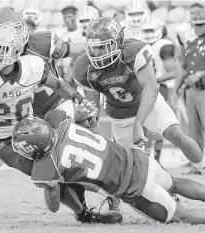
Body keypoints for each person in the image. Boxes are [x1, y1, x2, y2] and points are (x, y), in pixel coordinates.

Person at [0, 21, 119, 224]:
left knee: (71, 161)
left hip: (35, 128)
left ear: (15, 50)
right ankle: (85, 210)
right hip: (7, 142)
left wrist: (79, 99)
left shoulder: (31, 67)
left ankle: (102, 198)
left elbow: (59, 84)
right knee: (54, 182)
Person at [18, 108, 205, 224]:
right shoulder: (58, 119)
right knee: (175, 183)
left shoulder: (48, 165)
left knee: (182, 216)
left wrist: (49, 186)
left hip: (135, 188)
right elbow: (79, 119)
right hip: (139, 159)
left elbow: (53, 206)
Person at [73, 17, 205, 175]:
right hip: (119, 113)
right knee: (132, 167)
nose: (96, 53)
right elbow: (93, 107)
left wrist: (138, 124)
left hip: (146, 101)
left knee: (176, 134)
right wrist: (87, 122)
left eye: (102, 47)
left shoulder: (134, 52)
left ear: (117, 43)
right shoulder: (83, 67)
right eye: (93, 48)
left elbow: (152, 88)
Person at [172, 10, 205, 175]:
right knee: (193, 129)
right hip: (191, 91)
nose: (198, 28)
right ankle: (198, 165)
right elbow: (182, 68)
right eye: (196, 25)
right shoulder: (191, 44)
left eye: (201, 25)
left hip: (203, 88)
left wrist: (200, 74)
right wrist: (175, 89)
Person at [140, 21, 178, 163]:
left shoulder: (163, 45)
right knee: (143, 127)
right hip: (144, 89)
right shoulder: (141, 45)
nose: (149, 34)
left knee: (154, 127)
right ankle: (146, 159)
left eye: (151, 30)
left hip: (158, 88)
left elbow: (174, 71)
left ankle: (155, 159)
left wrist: (156, 79)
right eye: (146, 31)